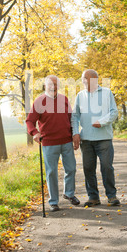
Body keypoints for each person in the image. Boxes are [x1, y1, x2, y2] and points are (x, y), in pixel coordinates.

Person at [26, 75, 80, 212]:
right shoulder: (39, 101)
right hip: (49, 142)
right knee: (51, 173)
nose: (53, 87)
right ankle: (54, 201)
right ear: (45, 85)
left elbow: (71, 118)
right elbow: (30, 121)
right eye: (50, 84)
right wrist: (34, 132)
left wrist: (75, 134)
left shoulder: (64, 99)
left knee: (71, 169)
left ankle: (69, 194)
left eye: (55, 84)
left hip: (66, 141)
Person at [71, 69, 120, 207]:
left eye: (86, 79)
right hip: (86, 139)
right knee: (88, 168)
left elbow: (114, 112)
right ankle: (93, 197)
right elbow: (75, 116)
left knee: (106, 167)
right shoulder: (80, 96)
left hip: (104, 138)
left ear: (94, 80)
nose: (83, 81)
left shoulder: (106, 93)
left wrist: (102, 122)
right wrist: (75, 133)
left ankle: (111, 196)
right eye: (83, 79)